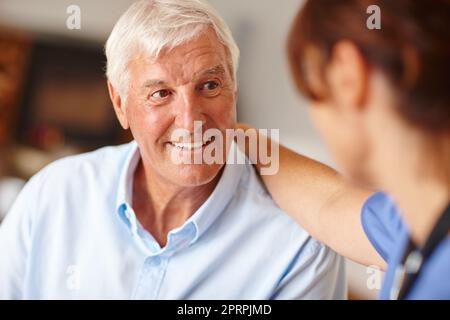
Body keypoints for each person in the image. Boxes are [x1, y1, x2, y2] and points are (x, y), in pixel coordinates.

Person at [0, 0, 345, 299]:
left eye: (209, 86)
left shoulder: (300, 248)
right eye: (160, 93)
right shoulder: (52, 196)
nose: (190, 119)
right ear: (120, 104)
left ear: (234, 91)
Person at [241, 0, 450, 299]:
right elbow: (329, 203)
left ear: (348, 75)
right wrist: (228, 134)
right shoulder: (414, 219)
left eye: (312, 92)